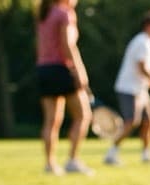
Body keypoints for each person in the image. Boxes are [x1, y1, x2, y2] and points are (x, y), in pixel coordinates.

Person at [105, 11, 150, 166]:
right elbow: (143, 68)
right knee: (132, 121)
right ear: (148, 26)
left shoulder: (149, 43)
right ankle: (111, 154)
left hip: (140, 89)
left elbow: (144, 72)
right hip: (129, 88)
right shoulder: (142, 42)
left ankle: (146, 154)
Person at [35, 0, 92, 175]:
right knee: (83, 115)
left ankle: (50, 164)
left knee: (51, 121)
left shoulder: (44, 13)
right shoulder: (64, 13)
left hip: (43, 69)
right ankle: (72, 160)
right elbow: (68, 45)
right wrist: (79, 70)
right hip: (61, 68)